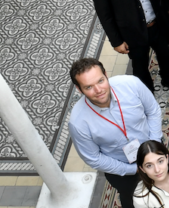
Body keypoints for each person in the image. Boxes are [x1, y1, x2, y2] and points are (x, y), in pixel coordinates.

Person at [68, 58, 162, 208]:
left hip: (153, 149)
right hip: (123, 169)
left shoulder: (131, 84)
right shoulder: (78, 123)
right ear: (79, 89)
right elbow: (93, 158)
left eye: (100, 81)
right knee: (133, 200)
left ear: (106, 74)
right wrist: (132, 170)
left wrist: (155, 145)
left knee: (167, 186)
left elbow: (153, 111)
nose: (98, 90)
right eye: (89, 87)